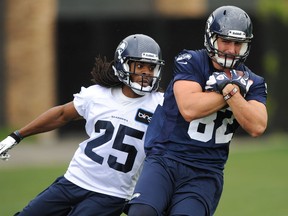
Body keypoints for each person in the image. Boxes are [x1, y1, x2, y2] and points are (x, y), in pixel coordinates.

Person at [0, 34, 165, 216]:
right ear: (122, 64)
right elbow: (62, 114)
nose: (146, 73)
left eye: (151, 67)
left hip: (111, 194)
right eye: (139, 66)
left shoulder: (161, 105)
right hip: (73, 181)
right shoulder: (97, 95)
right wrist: (17, 135)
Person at [128, 6, 268, 216]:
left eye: (238, 43)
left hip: (205, 172)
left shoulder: (254, 82)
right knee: (142, 211)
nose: (231, 49)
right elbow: (189, 108)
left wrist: (231, 92)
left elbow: (257, 126)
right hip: (166, 158)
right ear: (211, 38)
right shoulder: (191, 61)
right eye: (225, 41)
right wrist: (229, 92)